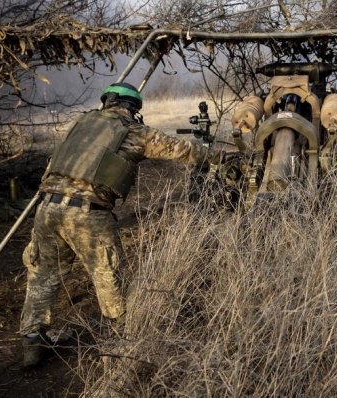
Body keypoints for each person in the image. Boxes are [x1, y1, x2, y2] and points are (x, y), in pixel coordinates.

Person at [20, 82, 214, 368]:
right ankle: (120, 344)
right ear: (133, 108)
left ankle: (32, 344)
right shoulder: (134, 131)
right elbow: (182, 150)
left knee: (43, 275)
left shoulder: (81, 124)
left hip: (47, 209)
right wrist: (217, 157)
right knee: (107, 276)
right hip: (88, 213)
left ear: (106, 102)